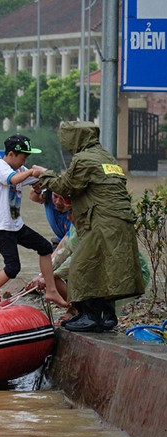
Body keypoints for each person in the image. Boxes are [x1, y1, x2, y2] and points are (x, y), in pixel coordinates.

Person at [32, 121, 145, 332]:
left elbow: (65, 186)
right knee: (105, 267)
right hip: (118, 221)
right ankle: (107, 316)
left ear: (76, 138)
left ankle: (90, 317)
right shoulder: (106, 157)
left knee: (82, 267)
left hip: (101, 222)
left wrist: (43, 174)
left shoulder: (84, 159)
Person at [0, 134, 69, 309]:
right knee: (12, 268)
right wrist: (32, 172)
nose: (24, 161)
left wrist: (41, 176)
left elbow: (41, 178)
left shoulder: (20, 169)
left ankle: (51, 290)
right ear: (11, 154)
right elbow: (13, 179)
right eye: (22, 157)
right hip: (2, 227)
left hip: (15, 226)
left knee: (45, 247)